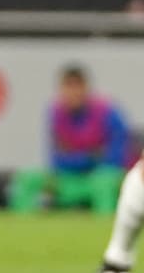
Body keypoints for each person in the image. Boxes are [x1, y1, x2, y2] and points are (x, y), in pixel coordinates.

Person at [10, 66, 131, 215]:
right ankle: (23, 229)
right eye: (68, 87)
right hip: (68, 178)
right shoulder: (56, 114)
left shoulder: (108, 112)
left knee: (104, 183)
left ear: (86, 88)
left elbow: (116, 158)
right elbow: (57, 159)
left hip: (99, 178)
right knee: (27, 179)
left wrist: (82, 158)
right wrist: (89, 156)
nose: (74, 93)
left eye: (77, 86)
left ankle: (104, 231)